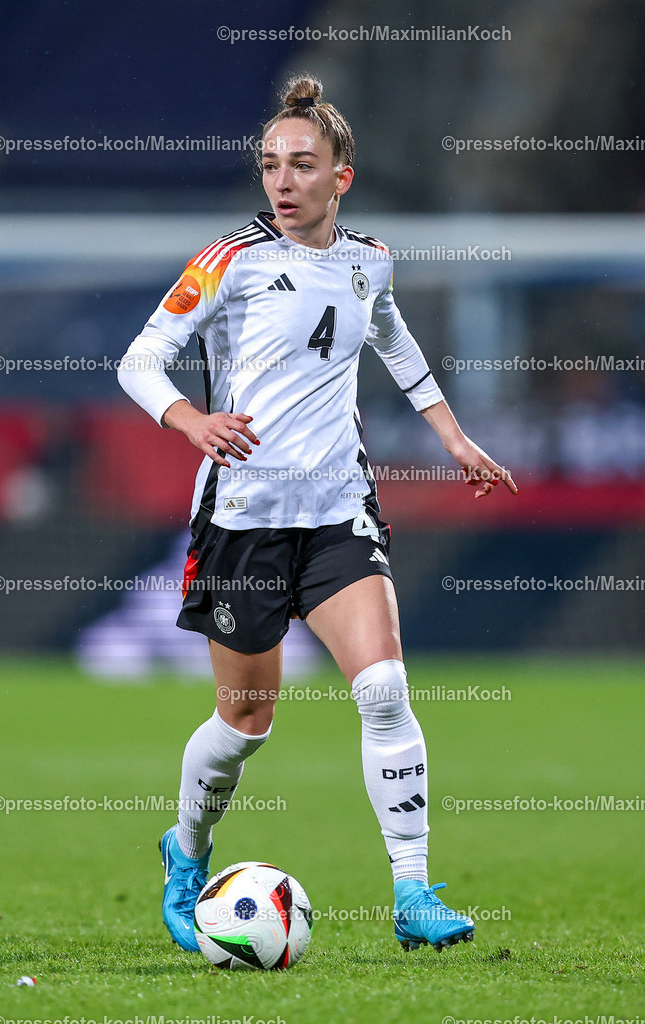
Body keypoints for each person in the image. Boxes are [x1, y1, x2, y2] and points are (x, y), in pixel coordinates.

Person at [117, 75, 517, 955]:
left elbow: (393, 337)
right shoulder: (229, 260)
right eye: (270, 165)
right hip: (243, 521)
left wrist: (451, 436)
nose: (282, 181)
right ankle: (187, 852)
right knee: (245, 723)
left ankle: (411, 890)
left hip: (339, 512)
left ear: (341, 176)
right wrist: (189, 419)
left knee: (382, 688)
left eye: (302, 165)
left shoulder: (367, 258)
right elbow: (140, 360)